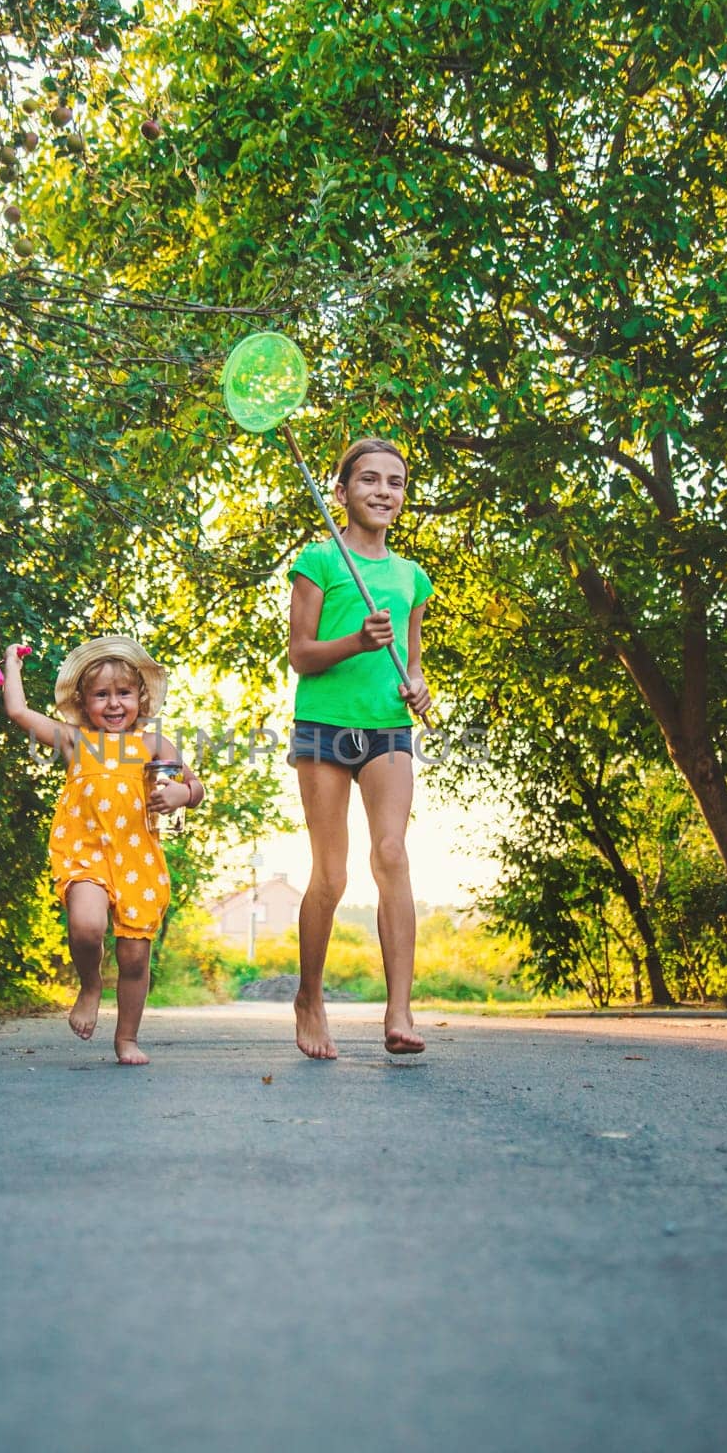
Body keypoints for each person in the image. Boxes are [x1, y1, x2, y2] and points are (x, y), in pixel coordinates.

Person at [287, 438, 433, 1060]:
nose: (383, 491)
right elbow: (301, 654)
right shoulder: (318, 561)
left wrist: (418, 687)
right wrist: (355, 641)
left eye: (395, 482)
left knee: (393, 854)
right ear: (341, 493)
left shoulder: (410, 578)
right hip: (324, 726)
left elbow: (414, 664)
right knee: (332, 873)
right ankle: (310, 998)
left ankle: (398, 1011)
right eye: (369, 480)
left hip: (388, 730)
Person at [3, 635, 203, 1065]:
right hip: (86, 852)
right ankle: (90, 985)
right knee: (87, 927)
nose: (114, 704)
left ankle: (126, 1038)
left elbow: (196, 786)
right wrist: (11, 665)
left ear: (141, 696)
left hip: (138, 859)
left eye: (124, 693)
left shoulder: (153, 744)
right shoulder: (76, 741)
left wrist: (181, 796)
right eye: (101, 695)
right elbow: (18, 711)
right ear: (84, 701)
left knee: (133, 957)